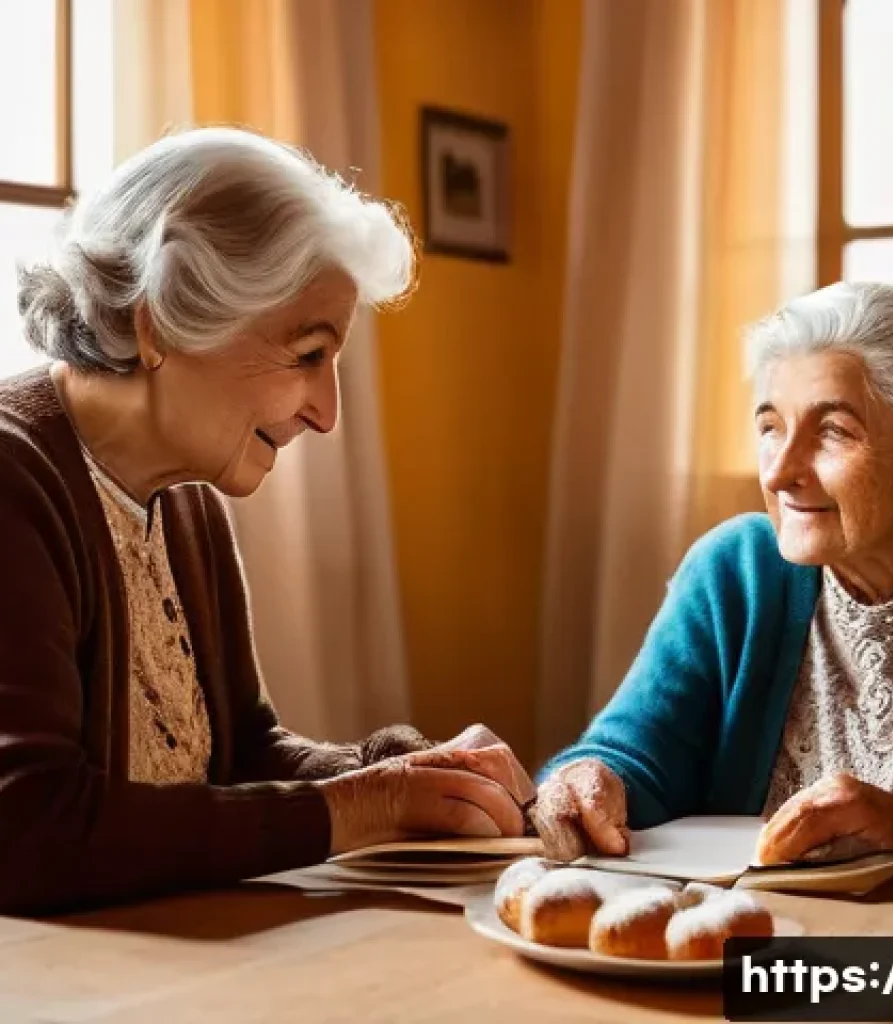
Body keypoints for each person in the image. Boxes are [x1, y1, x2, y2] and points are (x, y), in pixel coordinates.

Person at [0, 128, 532, 916]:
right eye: (309, 354)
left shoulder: (187, 502)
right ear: (162, 324)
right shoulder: (14, 480)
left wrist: (407, 776)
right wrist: (366, 805)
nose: (327, 413)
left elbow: (244, 754)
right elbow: (27, 829)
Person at [530, 281, 893, 871]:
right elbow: (634, 756)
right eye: (770, 428)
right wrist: (589, 780)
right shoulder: (733, 571)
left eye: (834, 431)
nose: (782, 472)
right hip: (751, 945)